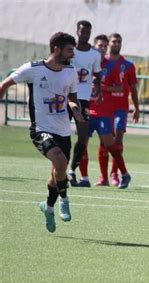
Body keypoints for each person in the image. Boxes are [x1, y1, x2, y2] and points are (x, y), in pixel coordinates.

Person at [0, 32, 83, 232]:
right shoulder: (32, 69)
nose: (72, 54)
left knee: (57, 172)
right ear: (56, 49)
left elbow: (72, 97)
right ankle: (64, 199)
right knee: (61, 162)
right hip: (41, 129)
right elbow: (4, 85)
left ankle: (48, 207)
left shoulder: (71, 71)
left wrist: (76, 110)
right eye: (69, 50)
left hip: (63, 129)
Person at [96, 33, 139, 189]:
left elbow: (133, 89)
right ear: (108, 44)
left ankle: (115, 174)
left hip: (121, 108)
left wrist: (137, 108)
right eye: (114, 41)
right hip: (104, 108)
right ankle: (103, 176)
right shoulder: (100, 63)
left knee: (118, 139)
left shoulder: (127, 65)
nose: (116, 44)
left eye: (119, 41)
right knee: (104, 142)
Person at [67, 20, 102, 187]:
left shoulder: (94, 54)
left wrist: (99, 90)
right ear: (77, 31)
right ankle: (59, 166)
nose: (85, 34)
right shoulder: (70, 50)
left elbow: (97, 74)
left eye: (88, 32)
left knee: (82, 138)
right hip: (66, 98)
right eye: (82, 32)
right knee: (62, 135)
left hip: (83, 100)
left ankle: (72, 170)